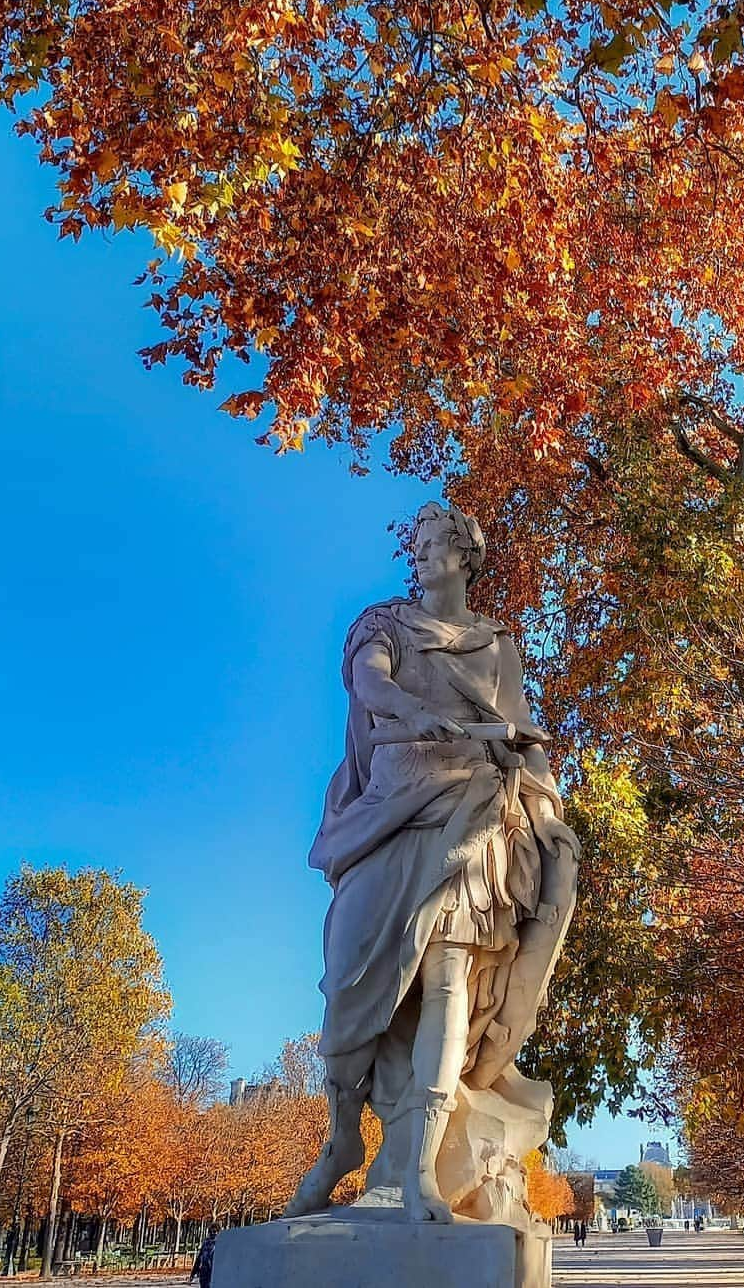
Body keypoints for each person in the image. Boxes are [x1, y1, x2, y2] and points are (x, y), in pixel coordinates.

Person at [286, 501, 580, 1224]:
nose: (419, 555)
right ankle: (341, 1136)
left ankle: (417, 1169)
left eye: (434, 545)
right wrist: (412, 714)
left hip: (472, 813)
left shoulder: (495, 645)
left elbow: (523, 737)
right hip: (389, 815)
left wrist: (547, 813)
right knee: (348, 980)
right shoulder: (382, 625)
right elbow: (370, 684)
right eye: (415, 545)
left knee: (449, 976)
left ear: (466, 556)